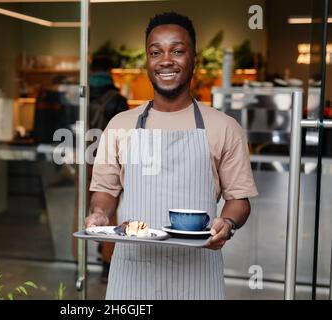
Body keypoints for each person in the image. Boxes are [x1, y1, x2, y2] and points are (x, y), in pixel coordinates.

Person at [85, 12, 258, 299]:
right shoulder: (120, 125)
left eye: (177, 51)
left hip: (198, 273)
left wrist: (226, 224)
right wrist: (100, 214)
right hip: (133, 273)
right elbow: (105, 189)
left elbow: (239, 200)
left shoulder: (225, 127)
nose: (166, 60)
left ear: (194, 59)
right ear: (147, 62)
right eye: (156, 52)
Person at [72, 56, 128, 282]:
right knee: (109, 214)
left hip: (83, 161)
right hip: (108, 163)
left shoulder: (81, 95)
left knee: (82, 212)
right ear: (110, 70)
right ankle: (107, 265)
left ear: (92, 69)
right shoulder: (117, 100)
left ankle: (79, 263)